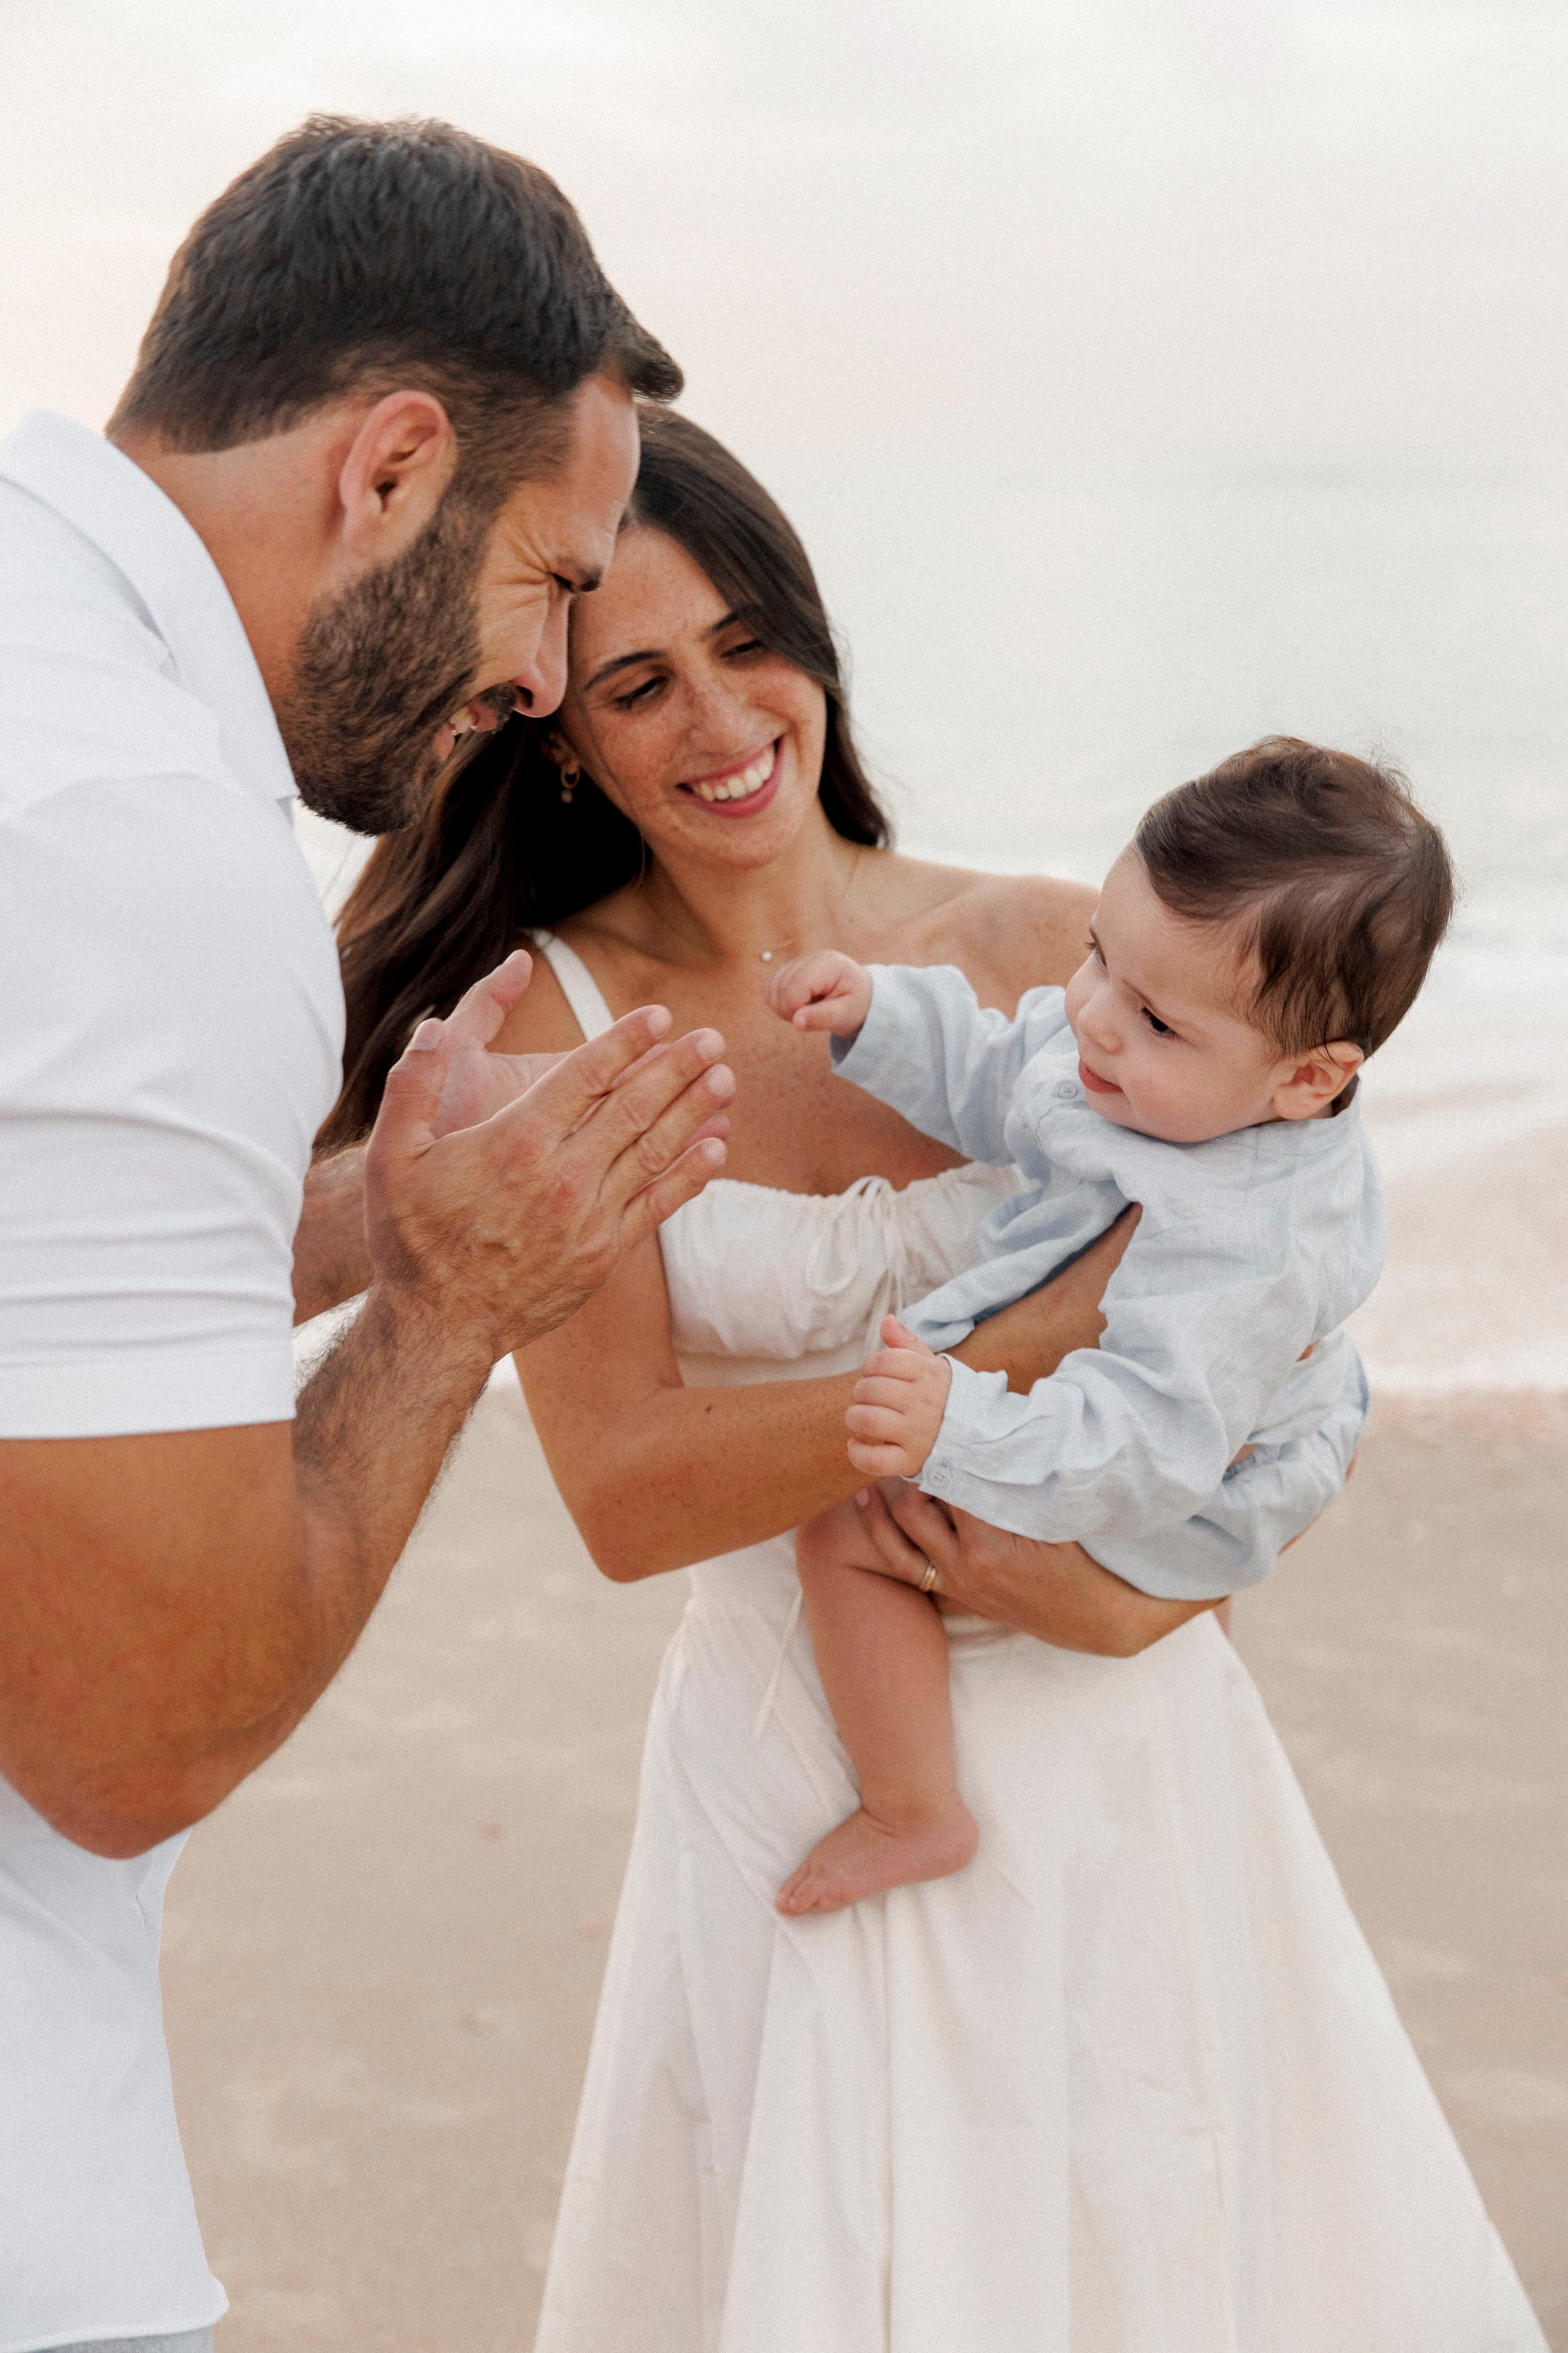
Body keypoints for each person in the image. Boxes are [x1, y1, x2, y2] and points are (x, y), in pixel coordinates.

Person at [330, 412, 1545, 2347]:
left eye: (752, 645)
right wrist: (1008, 1355)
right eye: (640, 683)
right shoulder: (563, 1028)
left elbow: (1271, 1337)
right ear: (558, 723)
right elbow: (632, 1494)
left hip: (1112, 1738)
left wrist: (1133, 1599)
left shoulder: (1049, 947)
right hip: (793, 1759)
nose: (726, 721)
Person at [0, 120, 736, 2352]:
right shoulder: (137, 834)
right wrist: (451, 1304)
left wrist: (332, 1222)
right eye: (551, 578)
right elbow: (136, 1735)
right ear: (396, 467)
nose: (536, 682)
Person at [764, 741, 1452, 1913]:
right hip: (1155, 1417)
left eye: (1154, 1017)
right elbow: (1004, 1074)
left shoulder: (1245, 1247)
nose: (1093, 1016)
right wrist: (880, 1017)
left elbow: (1143, 1448)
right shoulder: (1143, 1060)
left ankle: (914, 1808)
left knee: (850, 1528)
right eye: (1097, 954)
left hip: (1202, 1476)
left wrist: (962, 1425)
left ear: (1305, 1080)